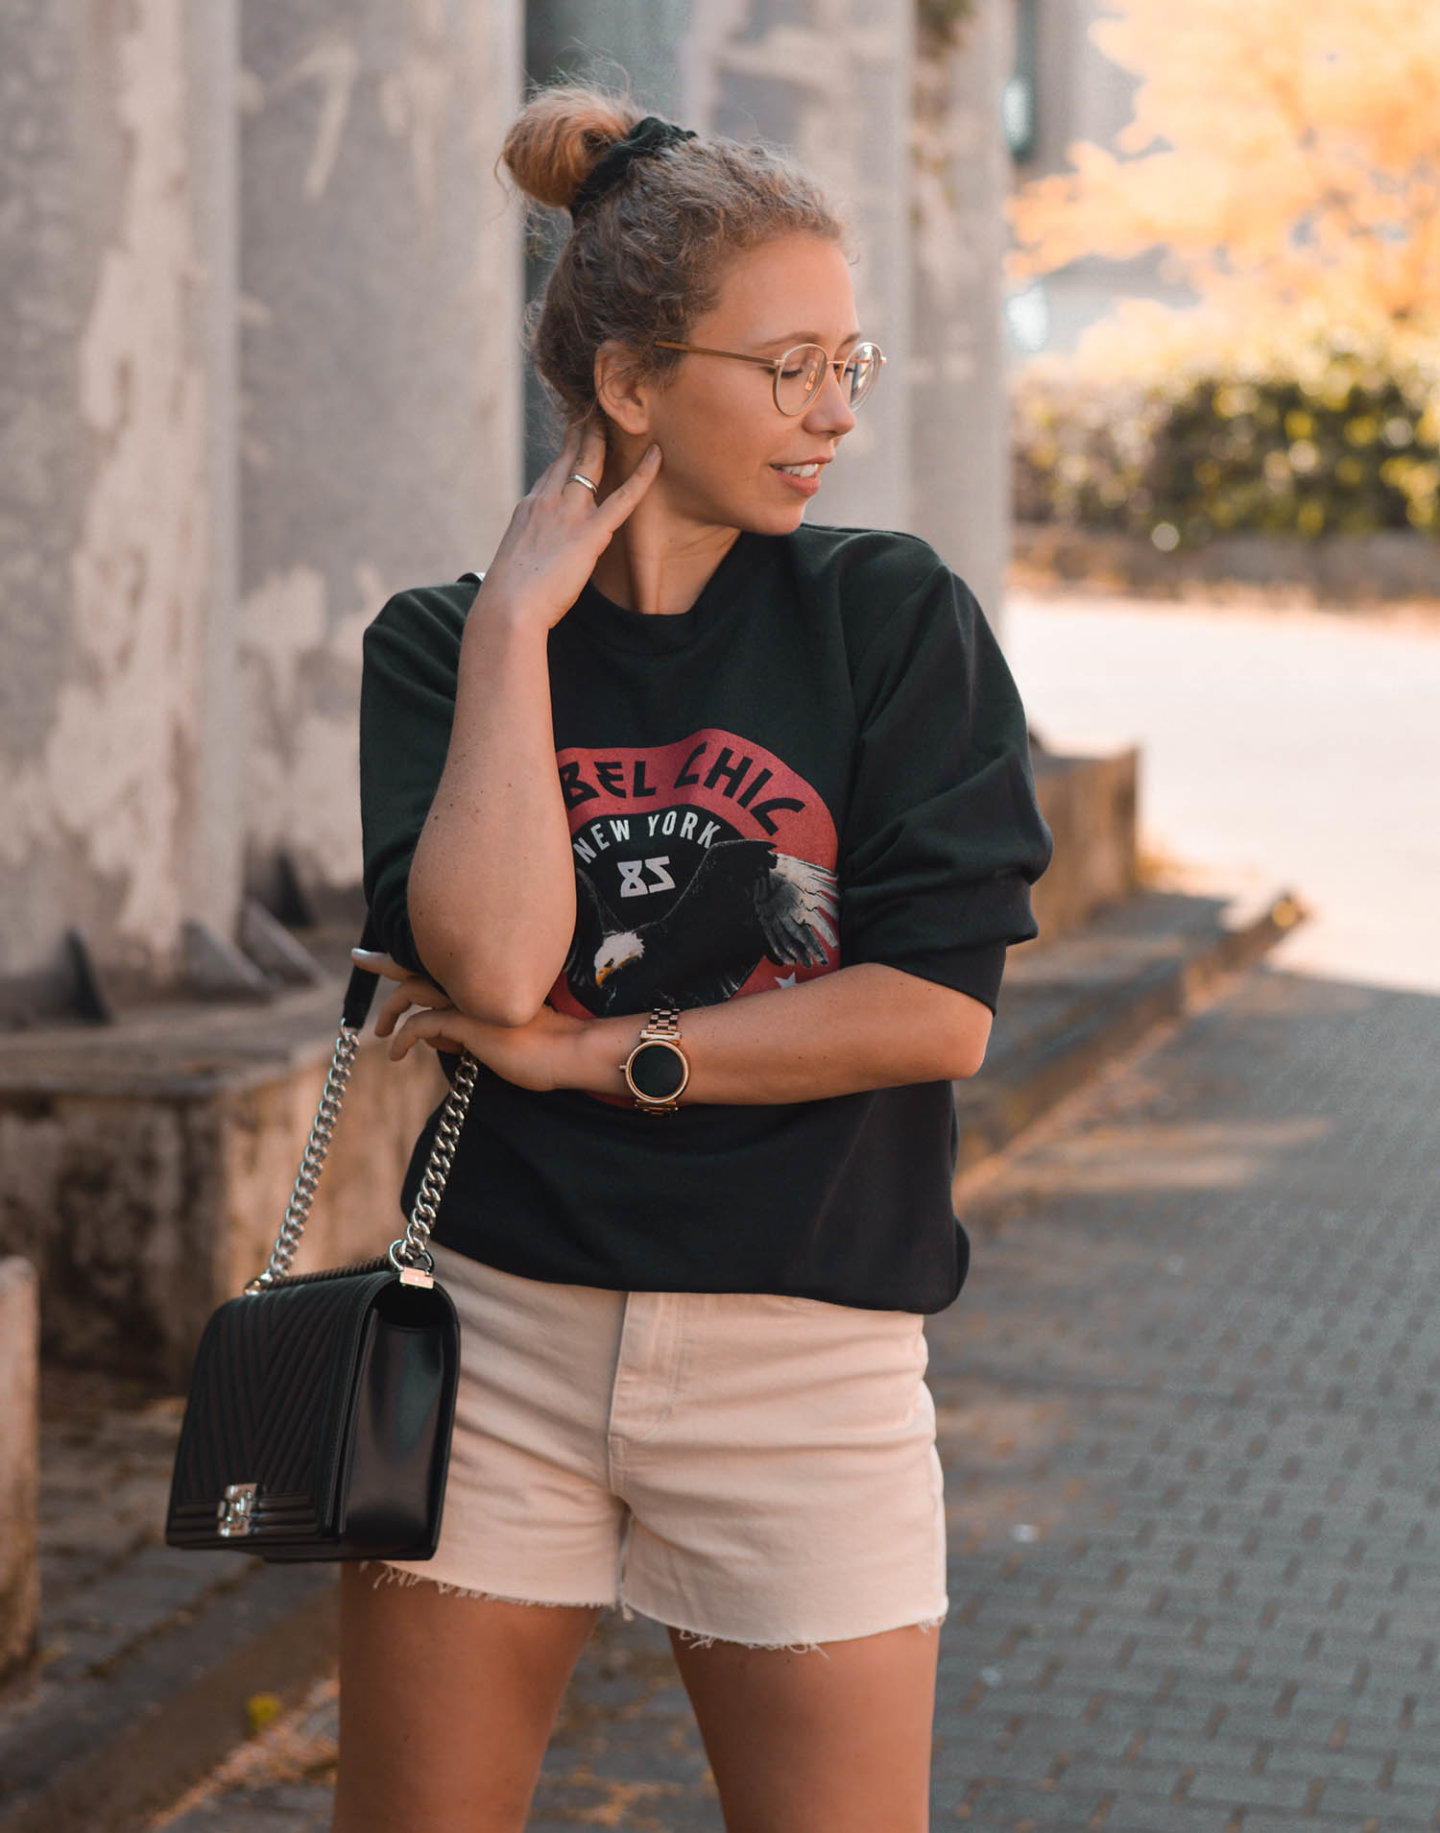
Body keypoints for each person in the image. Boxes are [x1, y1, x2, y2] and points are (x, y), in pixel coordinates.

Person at [332, 84, 1053, 1833]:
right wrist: (518, 625)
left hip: (805, 1357)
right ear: (633, 386)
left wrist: (608, 1057)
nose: (832, 415)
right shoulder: (442, 645)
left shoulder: (887, 618)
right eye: (785, 365)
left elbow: (934, 1010)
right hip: (492, 1341)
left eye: (848, 362)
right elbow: (494, 973)